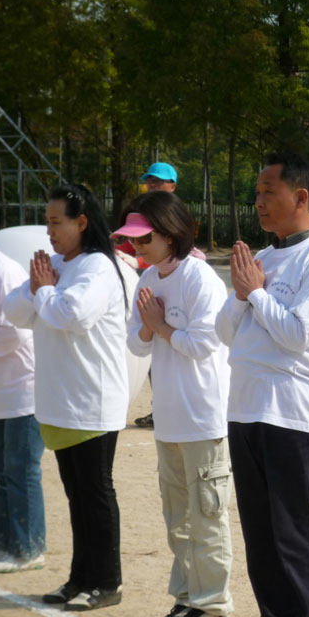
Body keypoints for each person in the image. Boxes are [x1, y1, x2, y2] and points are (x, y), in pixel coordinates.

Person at [215, 152, 309, 617]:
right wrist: (244, 294)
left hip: (291, 411)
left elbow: (298, 334)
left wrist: (256, 294)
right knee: (260, 530)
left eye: (269, 191)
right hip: (244, 405)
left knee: (293, 529)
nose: (259, 201)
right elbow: (225, 331)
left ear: (301, 197)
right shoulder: (262, 257)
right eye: (257, 192)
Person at [4, 183, 129, 610]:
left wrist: (43, 291)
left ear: (82, 223)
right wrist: (38, 287)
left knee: (95, 493)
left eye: (56, 222)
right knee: (77, 495)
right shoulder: (54, 266)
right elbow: (14, 311)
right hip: (59, 401)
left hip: (91, 401)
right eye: (47, 222)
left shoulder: (98, 267)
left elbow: (71, 314)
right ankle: (80, 578)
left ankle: (107, 581)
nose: (49, 231)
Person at [117, 191, 233, 617]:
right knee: (178, 519)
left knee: (207, 517)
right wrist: (151, 327)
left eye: (144, 239)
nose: (137, 247)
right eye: (133, 240)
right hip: (167, 419)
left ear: (170, 234)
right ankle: (187, 600)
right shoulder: (148, 278)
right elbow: (135, 343)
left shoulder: (200, 278)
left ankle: (214, 606)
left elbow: (204, 343)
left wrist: (160, 325)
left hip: (202, 417)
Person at [0, 230, 46, 574]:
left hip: (23, 386)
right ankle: (4, 546)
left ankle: (28, 549)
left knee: (21, 469)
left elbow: (14, 331)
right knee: (0, 470)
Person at [125, 161, 178, 429]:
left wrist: (138, 262)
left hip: (171, 287)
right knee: (152, 352)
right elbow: (128, 247)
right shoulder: (140, 212)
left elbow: (179, 252)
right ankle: (160, 409)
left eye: (158, 181)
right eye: (149, 180)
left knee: (172, 352)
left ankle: (168, 409)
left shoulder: (174, 215)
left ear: (172, 186)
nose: (152, 185)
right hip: (148, 286)